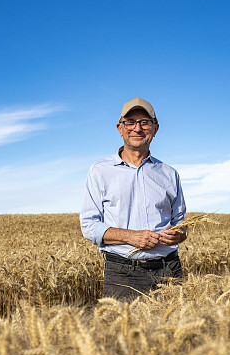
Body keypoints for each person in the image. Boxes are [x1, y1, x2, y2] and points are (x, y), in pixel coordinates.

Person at [80, 97, 187, 300]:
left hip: (169, 270)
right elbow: (89, 226)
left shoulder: (169, 174)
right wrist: (131, 237)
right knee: (124, 332)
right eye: (130, 122)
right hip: (123, 273)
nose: (137, 128)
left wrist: (179, 235)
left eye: (145, 122)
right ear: (120, 128)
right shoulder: (100, 171)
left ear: (155, 129)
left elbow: (181, 224)